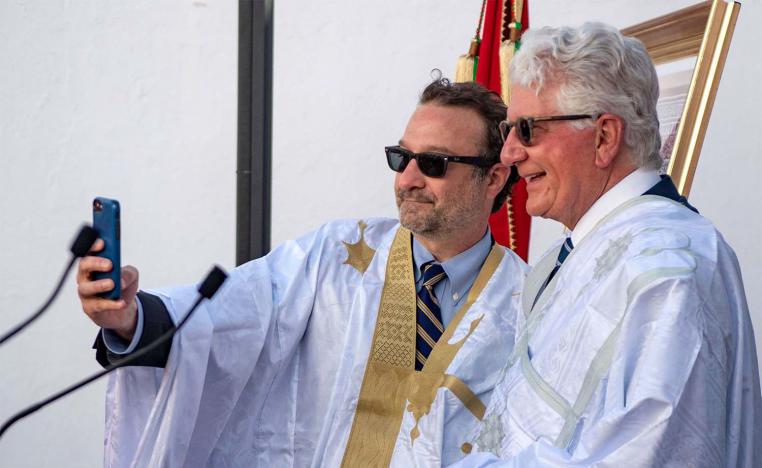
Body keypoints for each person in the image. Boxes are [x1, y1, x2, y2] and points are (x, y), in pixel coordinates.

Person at [77, 77, 528, 467]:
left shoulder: (527, 302)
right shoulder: (334, 256)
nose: (406, 179)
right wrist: (131, 319)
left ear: (493, 179)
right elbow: (231, 316)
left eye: (433, 163)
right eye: (399, 157)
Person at [453, 23, 762, 467]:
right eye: (508, 131)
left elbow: (650, 454)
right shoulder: (590, 248)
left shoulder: (670, 265)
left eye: (527, 129)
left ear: (604, 138)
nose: (508, 154)